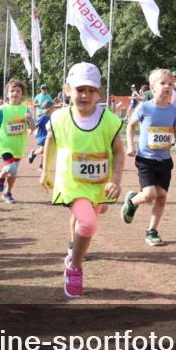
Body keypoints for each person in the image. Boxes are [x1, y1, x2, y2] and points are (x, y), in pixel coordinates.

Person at [41, 62, 124, 298]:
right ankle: (74, 267)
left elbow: (119, 151)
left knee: (87, 223)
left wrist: (116, 180)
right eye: (79, 89)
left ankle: (72, 254)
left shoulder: (108, 120)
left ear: (99, 93)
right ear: (68, 90)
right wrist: (45, 171)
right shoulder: (59, 118)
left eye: (91, 90)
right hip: (71, 183)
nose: (85, 95)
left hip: (99, 184)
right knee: (88, 223)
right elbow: (51, 141)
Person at [121, 68, 176, 246]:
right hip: (146, 160)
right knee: (149, 194)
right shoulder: (145, 107)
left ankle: (152, 231)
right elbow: (131, 126)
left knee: (162, 196)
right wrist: (131, 145)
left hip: (164, 160)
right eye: (163, 83)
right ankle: (133, 201)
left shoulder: (173, 110)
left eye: (170, 84)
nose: (167, 87)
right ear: (152, 87)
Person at [0, 78, 34, 204]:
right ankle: (0, 176)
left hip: (19, 146)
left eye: (18, 91)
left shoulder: (25, 110)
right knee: (11, 167)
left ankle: (7, 192)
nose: (15, 93)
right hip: (5, 145)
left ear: (22, 94)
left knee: (14, 171)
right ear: (7, 94)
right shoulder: (3, 109)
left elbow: (32, 127)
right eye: (12, 91)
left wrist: (30, 119)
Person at [28, 99, 56, 167]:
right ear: (49, 108)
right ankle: (34, 153)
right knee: (42, 151)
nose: (55, 108)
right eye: (53, 107)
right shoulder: (43, 117)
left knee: (47, 151)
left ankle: (42, 165)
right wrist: (31, 130)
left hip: (50, 137)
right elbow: (35, 125)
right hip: (42, 137)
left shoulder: (54, 116)